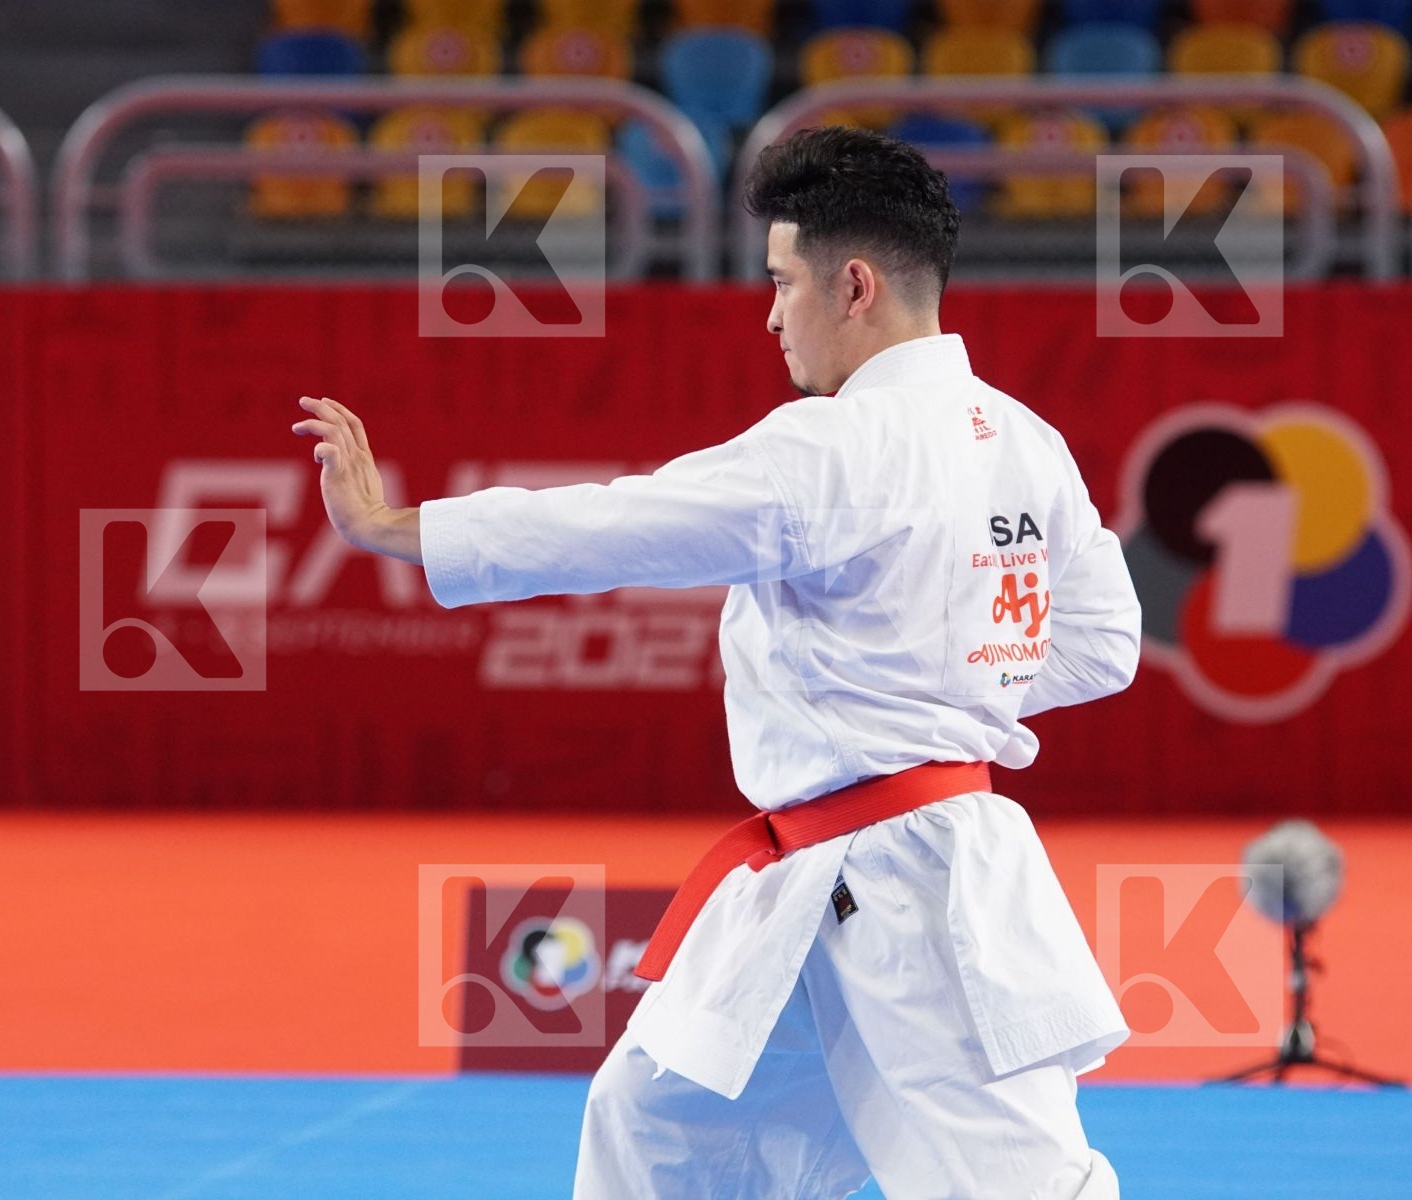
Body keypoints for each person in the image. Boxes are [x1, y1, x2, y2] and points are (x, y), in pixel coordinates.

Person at [290, 126, 1140, 1199]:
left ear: (856, 285)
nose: (772, 313)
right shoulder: (1026, 438)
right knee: (658, 1124)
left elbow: (618, 524)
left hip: (914, 886)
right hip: (815, 881)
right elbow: (1104, 642)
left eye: (783, 283)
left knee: (1019, 1184)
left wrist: (396, 529)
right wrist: (955, 675)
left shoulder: (829, 447)